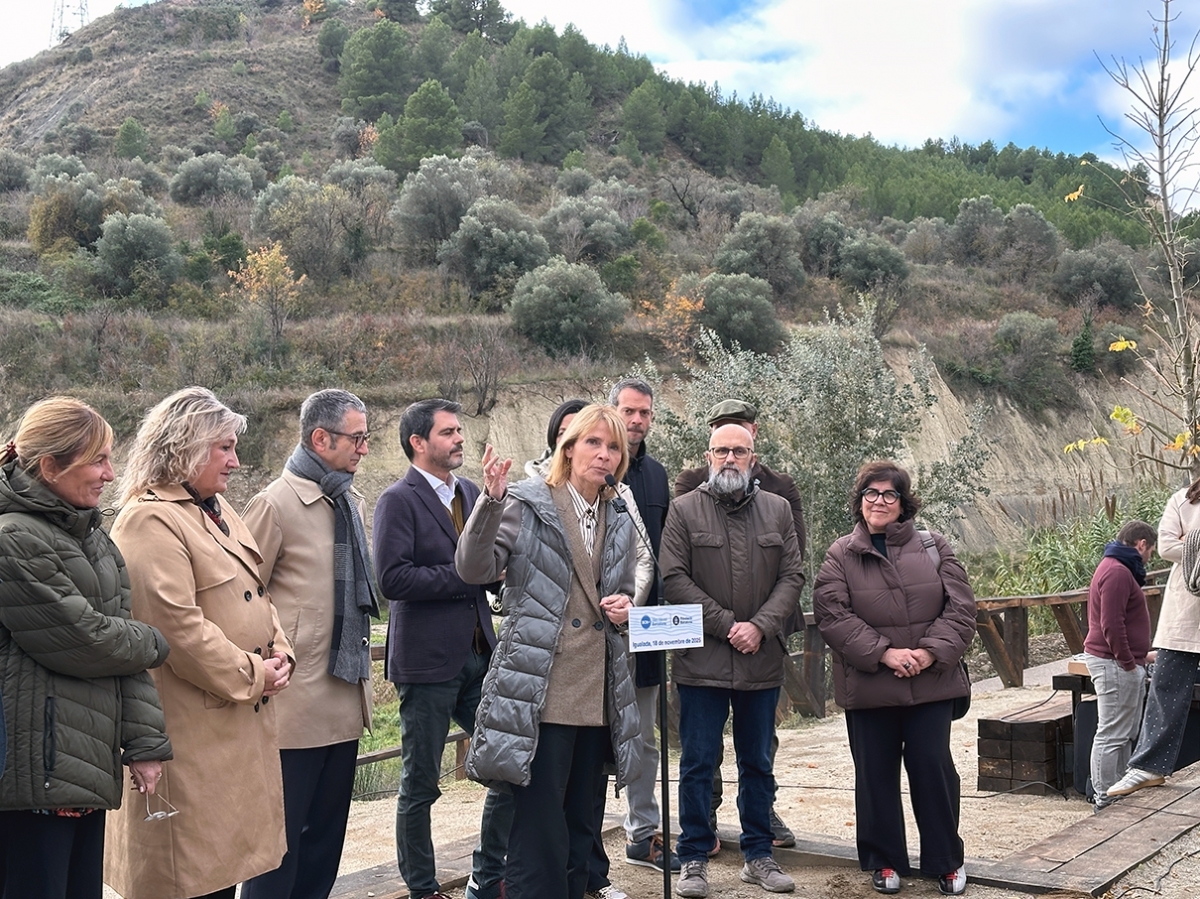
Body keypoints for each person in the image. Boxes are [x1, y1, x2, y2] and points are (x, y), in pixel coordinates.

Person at [105, 387, 294, 899]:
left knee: (221, 876)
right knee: (186, 880)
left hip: (231, 729)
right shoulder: (149, 518)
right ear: (184, 446)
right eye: (224, 448)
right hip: (190, 734)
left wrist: (281, 651)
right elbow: (176, 630)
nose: (236, 461)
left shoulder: (215, 508)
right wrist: (256, 674)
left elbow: (257, 592)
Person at [455, 404, 641, 899]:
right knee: (539, 835)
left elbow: (622, 590)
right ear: (568, 447)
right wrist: (489, 502)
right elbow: (474, 570)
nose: (604, 455)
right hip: (540, 691)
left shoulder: (620, 514)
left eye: (614, 447)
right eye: (593, 443)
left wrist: (626, 606)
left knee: (583, 829)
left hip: (599, 695)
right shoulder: (526, 501)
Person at [0, 397, 172, 899]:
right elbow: (86, 641)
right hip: (37, 766)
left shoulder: (91, 535)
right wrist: (158, 641)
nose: (110, 474)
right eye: (97, 460)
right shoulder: (14, 538)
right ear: (51, 466)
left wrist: (144, 743)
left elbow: (118, 642)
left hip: (84, 759)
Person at [813, 460, 975, 897]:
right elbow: (833, 615)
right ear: (859, 500)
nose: (879, 501)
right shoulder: (840, 554)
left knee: (932, 769)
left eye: (889, 494)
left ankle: (945, 860)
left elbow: (961, 609)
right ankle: (884, 861)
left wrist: (926, 652)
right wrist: (885, 652)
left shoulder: (934, 546)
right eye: (871, 493)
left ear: (904, 503)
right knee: (875, 774)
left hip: (930, 684)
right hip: (870, 685)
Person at [241, 389, 378, 899]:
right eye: (356, 438)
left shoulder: (346, 500)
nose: (364, 448)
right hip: (291, 708)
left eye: (366, 438)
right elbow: (242, 596)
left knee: (324, 842)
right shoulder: (274, 504)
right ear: (320, 438)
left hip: (342, 698)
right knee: (277, 847)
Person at [373, 398, 512, 899]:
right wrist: (467, 576)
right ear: (419, 442)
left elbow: (487, 566)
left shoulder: (474, 492)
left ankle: (489, 873)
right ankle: (423, 889)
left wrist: (497, 577)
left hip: (481, 658)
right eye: (449, 432)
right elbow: (392, 579)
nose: (460, 440)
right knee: (421, 785)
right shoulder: (397, 499)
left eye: (459, 431)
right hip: (427, 663)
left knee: (513, 764)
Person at [660, 424, 804, 897]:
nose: (728, 458)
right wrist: (728, 625)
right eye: (721, 450)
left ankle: (758, 854)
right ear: (707, 455)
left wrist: (760, 626)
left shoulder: (778, 510)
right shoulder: (683, 510)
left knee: (758, 763)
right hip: (701, 661)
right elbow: (673, 578)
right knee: (699, 762)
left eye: (738, 451)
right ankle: (695, 858)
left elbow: (793, 575)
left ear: (752, 458)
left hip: (761, 661)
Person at [604, 378, 677, 889]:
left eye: (644, 413)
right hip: (591, 632)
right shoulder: (590, 467)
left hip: (644, 631)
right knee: (588, 739)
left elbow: (663, 556)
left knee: (644, 738)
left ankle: (641, 831)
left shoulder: (656, 477)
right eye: (628, 411)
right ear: (610, 411)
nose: (636, 421)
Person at [1106, 480, 1200, 798]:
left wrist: (1191, 543)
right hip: (1185, 614)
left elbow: (1179, 548)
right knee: (1165, 690)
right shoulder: (1182, 500)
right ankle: (1148, 767)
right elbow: (1166, 547)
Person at [1082, 520, 1156, 809]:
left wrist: (1141, 655)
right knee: (1112, 734)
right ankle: (1104, 798)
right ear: (1141, 544)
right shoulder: (1116, 572)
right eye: (1150, 550)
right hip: (1113, 663)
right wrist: (1127, 661)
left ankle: (1119, 794)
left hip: (1122, 661)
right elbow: (1111, 623)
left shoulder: (1117, 568)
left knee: (1124, 734)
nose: (1150, 557)